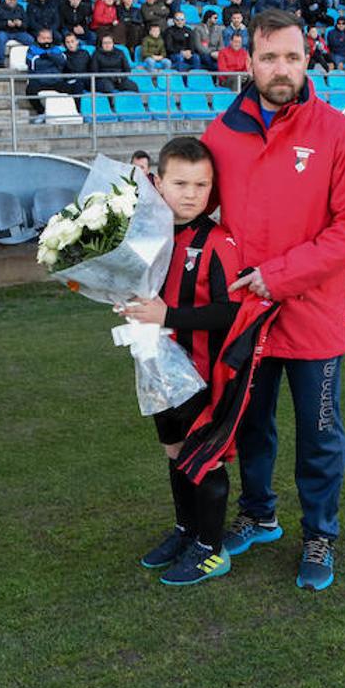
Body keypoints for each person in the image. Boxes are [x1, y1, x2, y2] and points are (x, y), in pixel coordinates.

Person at [203, 9, 345, 592]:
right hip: (244, 318)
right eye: (269, 57)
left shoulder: (340, 134)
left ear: (309, 59)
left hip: (310, 315)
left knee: (320, 430)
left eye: (292, 57)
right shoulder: (219, 136)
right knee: (250, 425)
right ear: (247, 61)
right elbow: (194, 217)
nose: (281, 69)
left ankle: (320, 533)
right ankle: (259, 514)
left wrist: (276, 277)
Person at [124, 138, 242, 585]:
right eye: (180, 183)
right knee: (174, 452)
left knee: (203, 458)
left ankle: (212, 550)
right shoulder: (146, 235)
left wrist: (167, 315)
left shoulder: (218, 242)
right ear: (157, 183)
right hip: (157, 366)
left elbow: (231, 311)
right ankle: (186, 530)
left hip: (202, 374)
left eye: (201, 184)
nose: (191, 193)